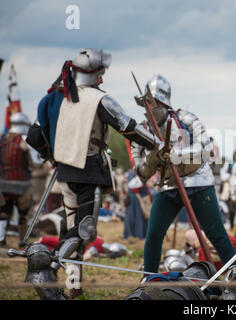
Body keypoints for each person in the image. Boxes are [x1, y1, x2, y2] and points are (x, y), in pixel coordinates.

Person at [23, 48, 160, 299]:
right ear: (93, 74)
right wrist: (156, 144)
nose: (102, 79)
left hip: (65, 173)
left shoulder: (54, 98)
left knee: (74, 230)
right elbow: (127, 127)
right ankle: (46, 266)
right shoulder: (99, 99)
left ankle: (72, 286)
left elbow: (33, 136)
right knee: (83, 231)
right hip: (89, 173)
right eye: (100, 74)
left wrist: (54, 154)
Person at [131, 74, 236, 273]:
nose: (151, 108)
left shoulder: (187, 119)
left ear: (163, 102)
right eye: (147, 104)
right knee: (153, 234)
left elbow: (207, 149)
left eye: (154, 102)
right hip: (168, 186)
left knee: (216, 233)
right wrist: (154, 157)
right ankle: (149, 278)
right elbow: (142, 174)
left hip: (198, 183)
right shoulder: (142, 132)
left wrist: (175, 154)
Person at [0, 112, 33, 248]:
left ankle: (1, 239)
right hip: (22, 183)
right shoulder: (25, 140)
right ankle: (23, 240)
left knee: (3, 211)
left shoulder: (3, 139)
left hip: (3, 182)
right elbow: (35, 162)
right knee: (23, 214)